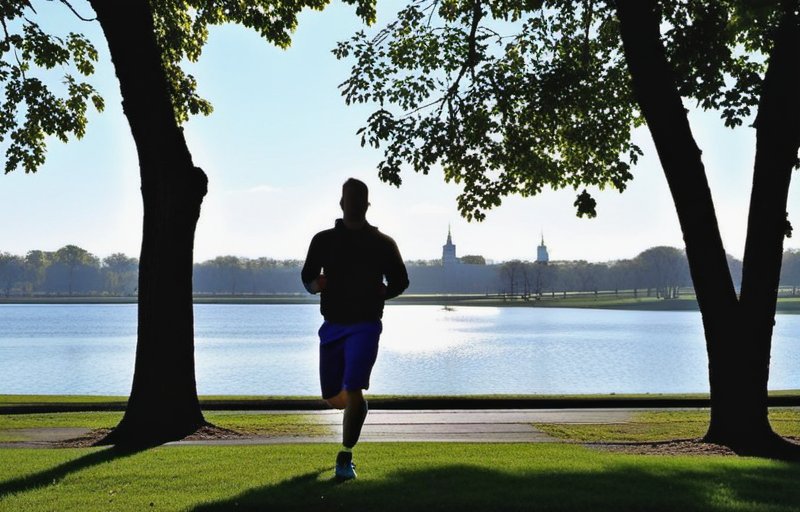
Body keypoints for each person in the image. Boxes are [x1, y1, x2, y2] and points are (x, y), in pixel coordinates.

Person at [301, 178, 409, 481]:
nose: (353, 204)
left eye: (359, 199)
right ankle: (355, 408)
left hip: (366, 324)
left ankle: (345, 455)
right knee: (333, 395)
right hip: (332, 325)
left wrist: (382, 292)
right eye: (350, 199)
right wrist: (315, 285)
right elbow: (307, 278)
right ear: (341, 204)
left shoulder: (383, 243)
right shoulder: (322, 240)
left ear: (367, 205)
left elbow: (400, 281)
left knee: (355, 387)